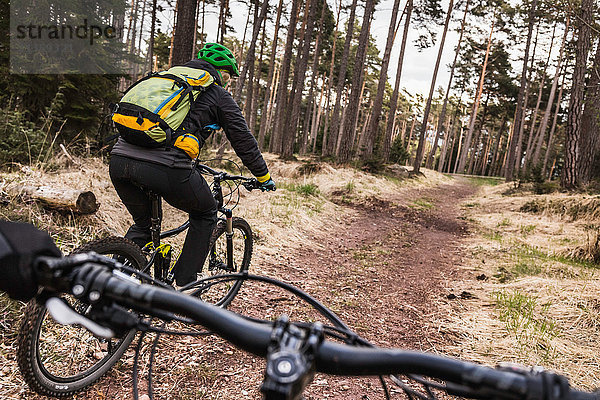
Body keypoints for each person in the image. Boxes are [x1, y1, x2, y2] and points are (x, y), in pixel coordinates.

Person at [109, 43, 275, 287]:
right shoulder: (216, 93)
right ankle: (184, 285)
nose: (226, 82)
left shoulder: (167, 79)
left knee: (143, 225)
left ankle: (109, 284)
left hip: (119, 160)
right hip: (165, 166)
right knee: (206, 213)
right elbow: (243, 139)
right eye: (227, 76)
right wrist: (262, 175)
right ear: (219, 73)